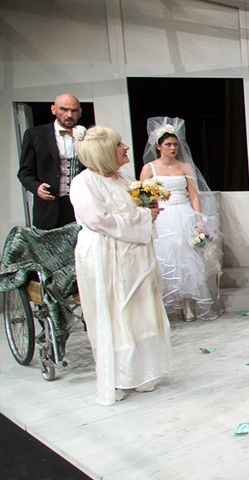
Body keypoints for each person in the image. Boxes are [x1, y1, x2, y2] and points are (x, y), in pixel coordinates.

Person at [69, 126, 171, 406]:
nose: (126, 147)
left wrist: (148, 211)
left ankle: (142, 372)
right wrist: (143, 217)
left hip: (134, 255)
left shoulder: (123, 178)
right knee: (113, 312)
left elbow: (131, 209)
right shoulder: (84, 182)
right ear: (103, 151)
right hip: (106, 255)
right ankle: (117, 376)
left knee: (140, 312)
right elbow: (98, 220)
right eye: (118, 144)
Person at [139, 117, 222, 322]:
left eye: (175, 144)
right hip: (161, 216)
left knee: (187, 261)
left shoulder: (185, 166)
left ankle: (187, 304)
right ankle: (162, 307)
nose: (173, 148)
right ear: (158, 146)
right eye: (168, 144)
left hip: (183, 213)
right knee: (164, 260)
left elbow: (194, 195)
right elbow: (142, 197)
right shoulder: (149, 168)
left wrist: (199, 220)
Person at [18, 93, 86, 229]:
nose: (69, 115)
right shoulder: (35, 135)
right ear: (53, 109)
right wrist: (36, 187)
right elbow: (25, 172)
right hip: (49, 207)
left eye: (74, 110)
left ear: (80, 112)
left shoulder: (87, 136)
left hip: (80, 205)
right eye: (64, 109)